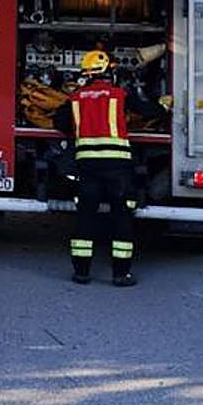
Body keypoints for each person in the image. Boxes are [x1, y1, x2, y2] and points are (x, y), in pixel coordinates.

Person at [53, 50, 170, 287]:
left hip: (87, 168)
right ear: (109, 72)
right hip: (118, 169)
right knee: (121, 219)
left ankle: (82, 273)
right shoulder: (120, 95)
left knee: (86, 217)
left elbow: (60, 122)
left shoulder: (76, 98)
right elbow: (148, 111)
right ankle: (120, 274)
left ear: (87, 74)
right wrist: (164, 106)